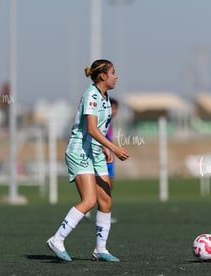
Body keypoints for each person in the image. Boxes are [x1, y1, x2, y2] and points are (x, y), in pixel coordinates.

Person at [46, 59, 129, 263]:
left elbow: (97, 131)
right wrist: (113, 147)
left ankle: (100, 249)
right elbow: (91, 129)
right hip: (79, 151)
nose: (116, 76)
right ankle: (57, 239)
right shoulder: (91, 94)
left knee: (106, 200)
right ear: (103, 76)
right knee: (90, 200)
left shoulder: (106, 97)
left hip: (95, 151)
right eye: (113, 72)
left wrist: (103, 148)